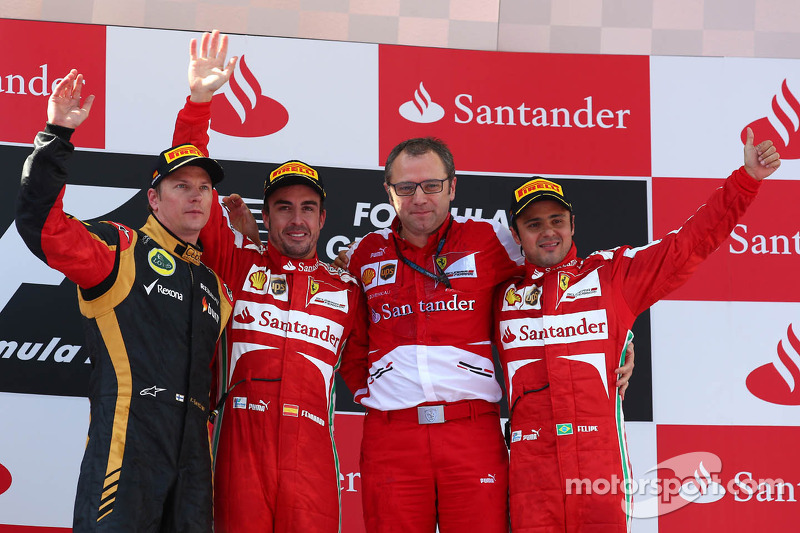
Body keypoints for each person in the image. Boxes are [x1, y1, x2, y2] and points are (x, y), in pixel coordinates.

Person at [337, 137, 634, 533]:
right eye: (405, 188)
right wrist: (366, 391)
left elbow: (556, 274)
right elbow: (347, 334)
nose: (419, 198)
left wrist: (622, 341)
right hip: (392, 437)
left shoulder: (491, 241)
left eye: (432, 185)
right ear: (388, 191)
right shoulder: (365, 254)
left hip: (471, 431)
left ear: (453, 186)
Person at [495, 129, 780, 532]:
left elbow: (690, 244)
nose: (548, 232)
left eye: (557, 220)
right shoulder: (500, 293)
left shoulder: (613, 275)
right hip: (529, 476)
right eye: (533, 223)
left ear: (573, 224)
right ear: (515, 233)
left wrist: (746, 181)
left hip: (596, 470)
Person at [15, 69, 233, 532]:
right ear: (153, 200)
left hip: (195, 456)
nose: (195, 196)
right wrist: (56, 134)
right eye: (181, 186)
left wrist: (200, 102)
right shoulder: (121, 250)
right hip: (128, 446)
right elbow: (44, 228)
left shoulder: (215, 284)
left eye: (204, 188)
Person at [171, 30, 368, 533]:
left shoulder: (348, 289)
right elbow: (191, 178)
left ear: (323, 218)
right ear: (268, 215)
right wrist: (199, 102)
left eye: (307, 208)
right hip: (240, 442)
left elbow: (376, 376)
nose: (296, 220)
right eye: (283, 208)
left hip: (313, 452)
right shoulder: (237, 261)